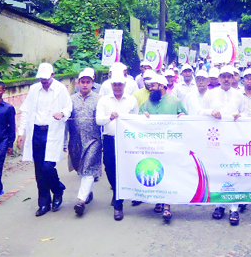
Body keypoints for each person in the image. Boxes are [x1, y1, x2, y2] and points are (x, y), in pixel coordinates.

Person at [17, 63, 72, 217]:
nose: (44, 81)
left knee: (48, 167)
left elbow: (69, 107)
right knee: (39, 170)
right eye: (41, 79)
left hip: (52, 133)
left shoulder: (60, 89)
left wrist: (62, 113)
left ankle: (58, 189)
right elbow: (26, 111)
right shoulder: (34, 89)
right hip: (36, 132)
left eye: (46, 79)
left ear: (52, 75)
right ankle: (43, 203)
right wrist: (21, 132)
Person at [199, 66, 245, 226]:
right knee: (217, 171)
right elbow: (199, 112)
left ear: (233, 78)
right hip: (215, 140)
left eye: (229, 76)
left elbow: (246, 115)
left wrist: (241, 116)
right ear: (218, 78)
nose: (226, 79)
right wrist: (211, 111)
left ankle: (234, 208)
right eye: (223, 76)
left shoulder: (239, 95)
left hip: (234, 141)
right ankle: (219, 205)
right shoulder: (210, 94)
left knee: (233, 171)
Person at [140, 74, 187, 222]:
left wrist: (182, 115)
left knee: (169, 173)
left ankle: (167, 206)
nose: (150, 88)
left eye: (153, 85)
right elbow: (137, 118)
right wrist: (143, 114)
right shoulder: (148, 102)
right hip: (153, 145)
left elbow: (187, 118)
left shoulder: (175, 101)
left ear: (162, 86)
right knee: (156, 171)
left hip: (170, 145)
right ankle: (158, 201)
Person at [96, 71, 139, 221]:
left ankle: (118, 205)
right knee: (109, 167)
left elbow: (136, 120)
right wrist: (110, 117)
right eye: (115, 84)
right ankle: (116, 190)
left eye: (120, 84)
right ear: (111, 85)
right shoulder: (104, 100)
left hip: (127, 140)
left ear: (125, 85)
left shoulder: (132, 100)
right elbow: (99, 120)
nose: (117, 87)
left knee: (125, 168)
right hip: (109, 138)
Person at [66, 69, 102, 216]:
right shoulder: (71, 99)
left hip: (93, 140)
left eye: (88, 82)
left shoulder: (99, 99)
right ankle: (89, 192)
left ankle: (80, 201)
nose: (85, 85)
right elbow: (66, 121)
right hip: (75, 140)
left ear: (92, 84)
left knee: (87, 166)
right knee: (80, 167)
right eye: (83, 82)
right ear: (78, 83)